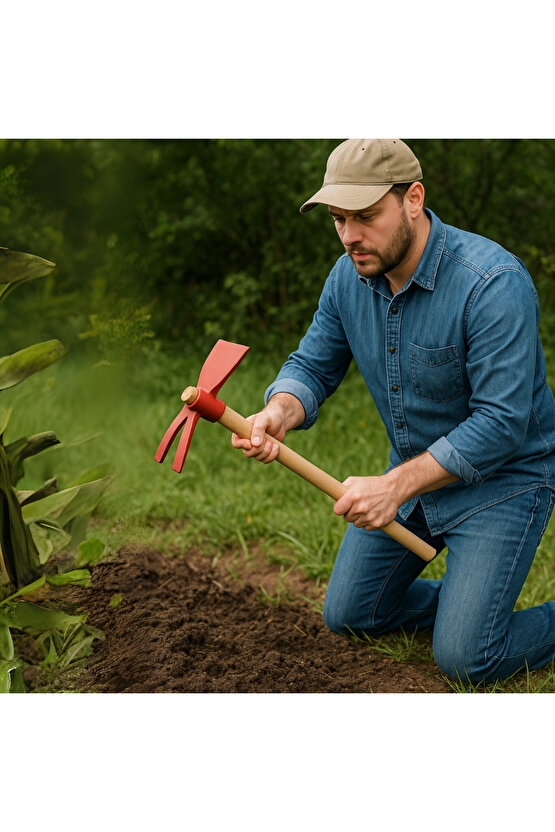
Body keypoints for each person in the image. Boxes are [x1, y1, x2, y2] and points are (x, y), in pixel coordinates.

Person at [231, 139, 555, 684]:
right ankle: (464, 606)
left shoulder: (492, 284)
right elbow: (311, 365)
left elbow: (502, 424)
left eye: (365, 216)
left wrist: (394, 488)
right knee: (350, 616)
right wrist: (278, 412)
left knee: (466, 660)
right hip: (413, 475)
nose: (350, 235)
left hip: (506, 479)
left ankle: (473, 623)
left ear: (413, 199)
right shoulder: (347, 277)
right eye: (338, 219)